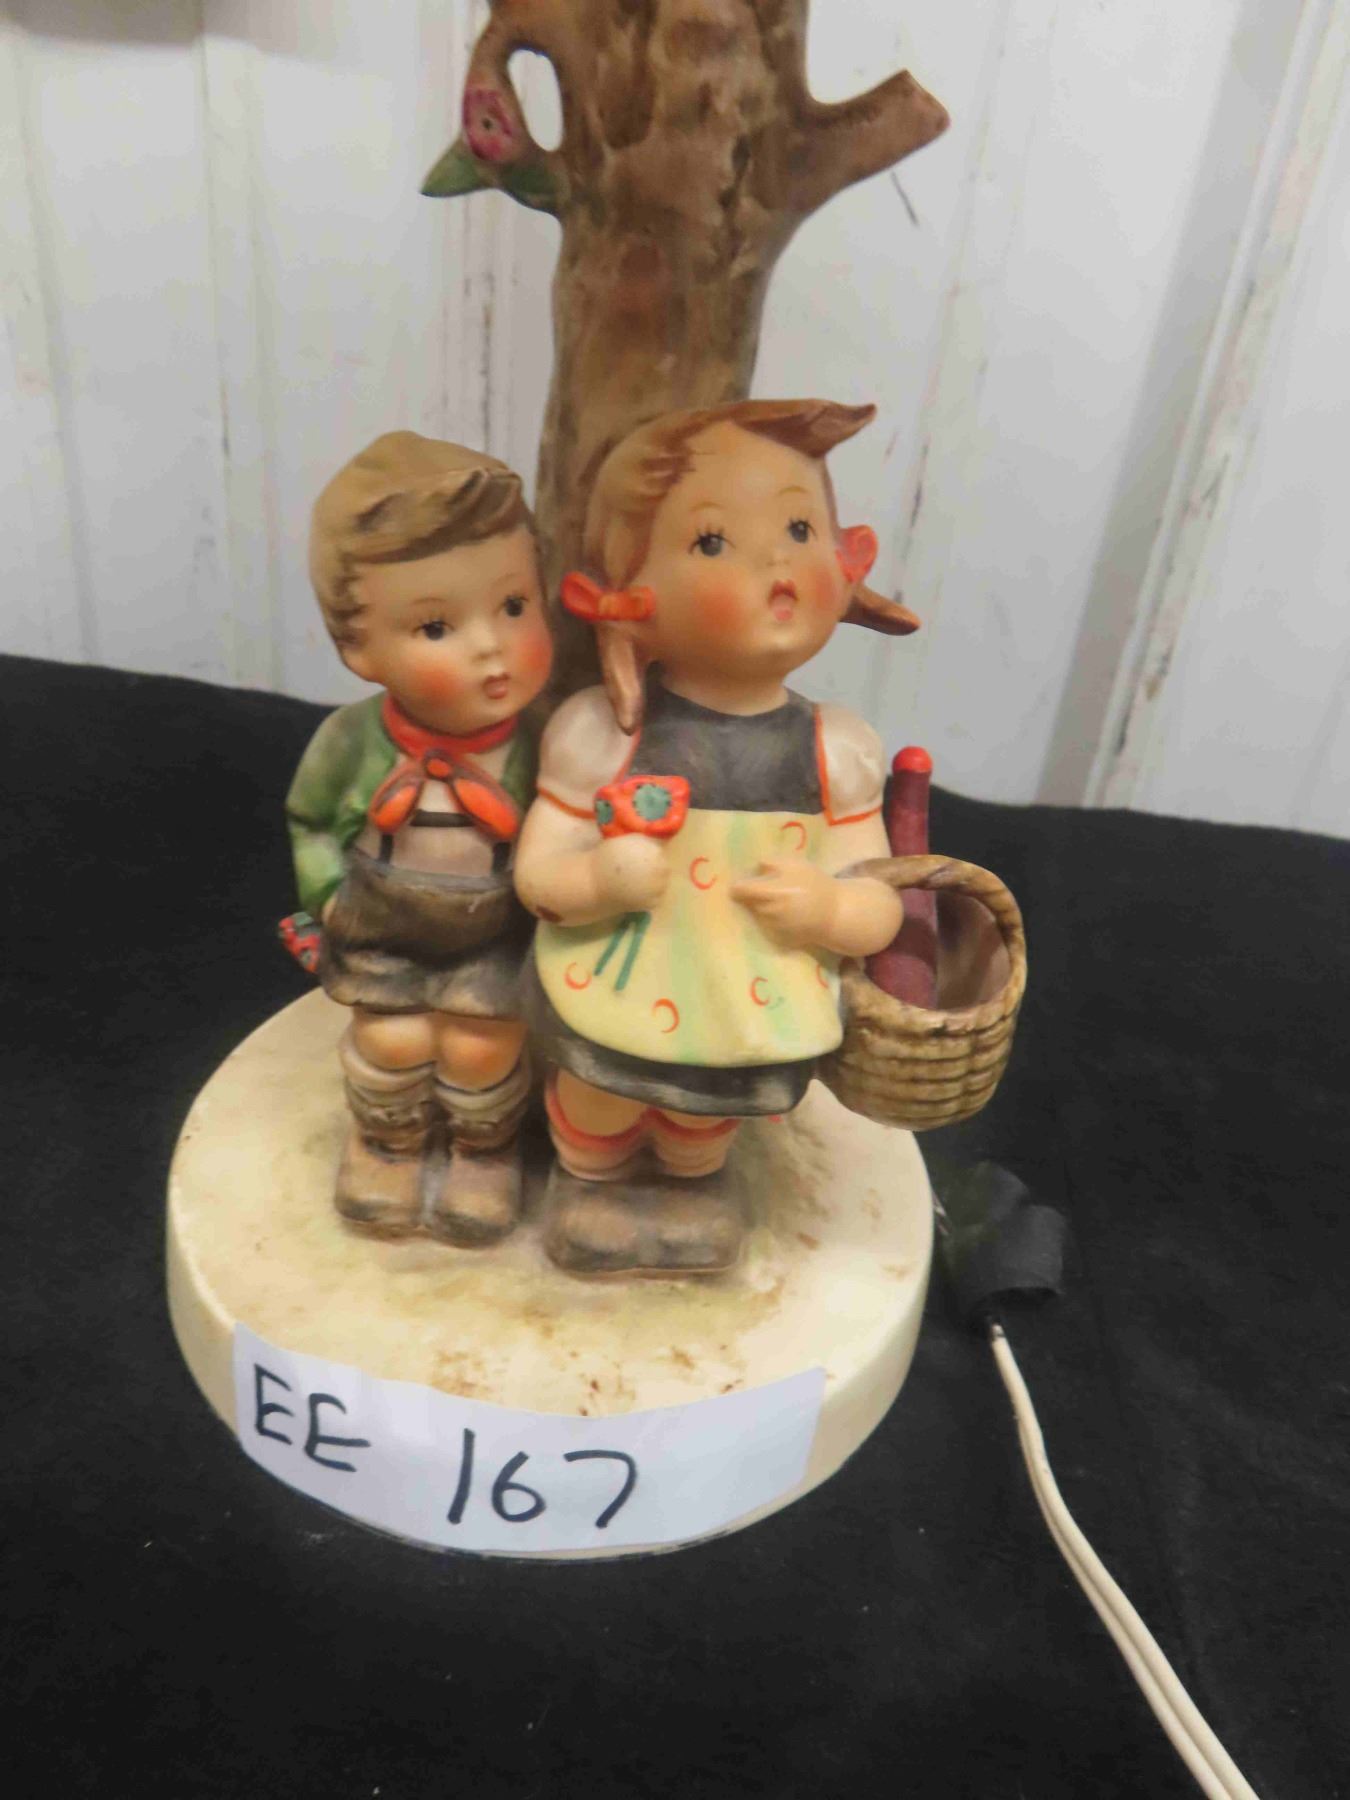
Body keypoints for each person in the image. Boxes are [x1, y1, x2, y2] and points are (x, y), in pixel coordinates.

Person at [513, 398, 917, 1275]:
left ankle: (690, 1188)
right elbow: (537, 874)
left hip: (747, 987)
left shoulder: (834, 749)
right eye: (711, 541)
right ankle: (591, 1184)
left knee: (706, 1115)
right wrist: (599, 880)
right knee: (601, 1095)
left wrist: (830, 907)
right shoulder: (603, 735)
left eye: (800, 528)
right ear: (630, 596)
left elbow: (880, 902)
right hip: (625, 969)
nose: (777, 565)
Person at [284, 432, 553, 1243]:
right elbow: (309, 820)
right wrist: (329, 895)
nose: (491, 646)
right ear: (357, 648)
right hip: (382, 921)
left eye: (514, 606)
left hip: (494, 929)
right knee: (390, 1035)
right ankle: (388, 1145)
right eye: (436, 627)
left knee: (481, 1046)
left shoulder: (549, 741)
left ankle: (482, 1152)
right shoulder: (349, 741)